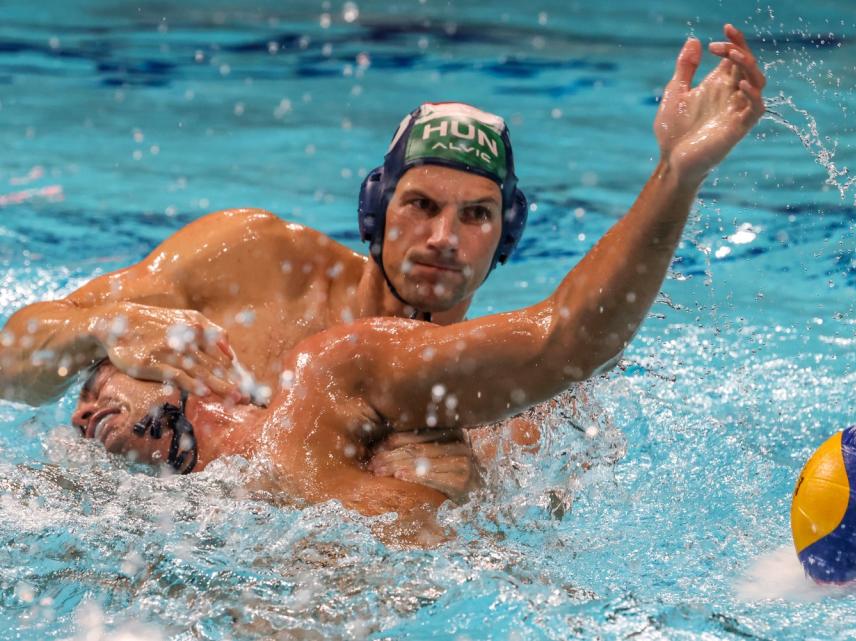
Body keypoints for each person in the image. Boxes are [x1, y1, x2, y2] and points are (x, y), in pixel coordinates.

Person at [68, 25, 765, 545]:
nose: (443, 238)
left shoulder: (510, 419)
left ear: (505, 236)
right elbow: (51, 346)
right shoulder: (304, 320)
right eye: (422, 205)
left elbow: (571, 344)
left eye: (475, 215)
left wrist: (678, 173)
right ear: (377, 210)